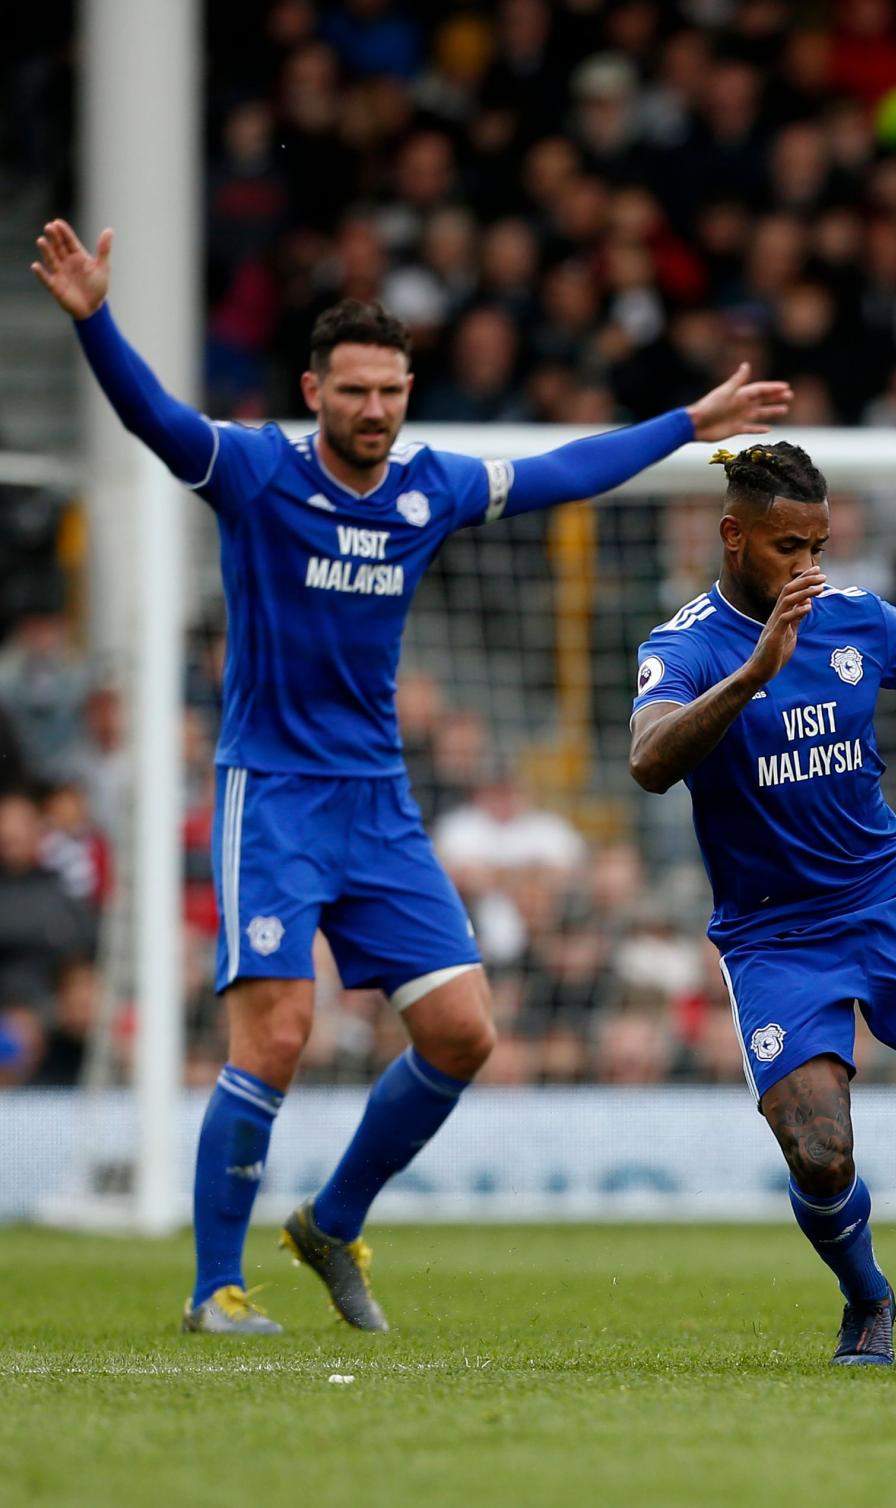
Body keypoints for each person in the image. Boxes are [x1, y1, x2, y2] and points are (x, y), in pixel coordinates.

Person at [34, 218, 790, 1334]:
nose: (375, 410)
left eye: (390, 390)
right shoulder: (254, 470)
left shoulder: (428, 486)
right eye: (354, 392)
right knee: (276, 1034)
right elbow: (156, 421)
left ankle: (331, 1222)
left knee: (462, 1032)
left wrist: (687, 425)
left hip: (378, 803)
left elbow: (561, 471)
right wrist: (97, 320)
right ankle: (214, 1288)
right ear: (313, 390)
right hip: (274, 794)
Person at [627, 441, 896, 1367]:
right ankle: (868, 1297)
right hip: (775, 937)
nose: (809, 568)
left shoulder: (860, 619)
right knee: (821, 1152)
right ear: (733, 537)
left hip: (891, 904)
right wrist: (754, 670)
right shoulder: (685, 645)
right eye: (790, 547)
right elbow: (649, 762)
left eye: (819, 545)